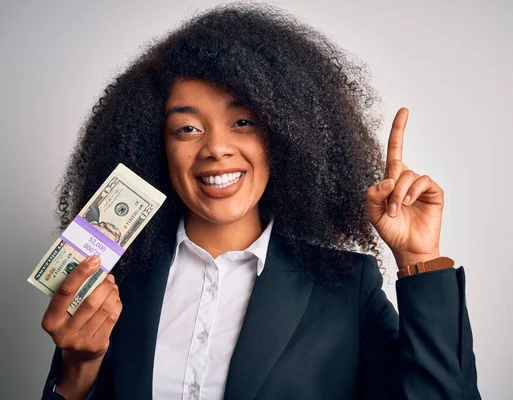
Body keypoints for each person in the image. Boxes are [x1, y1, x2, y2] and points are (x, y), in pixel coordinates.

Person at [39, 3, 480, 399]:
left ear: (284, 135)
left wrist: (418, 259)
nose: (216, 148)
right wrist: (79, 371)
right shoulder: (117, 284)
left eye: (243, 121)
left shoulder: (347, 290)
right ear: (156, 147)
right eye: (187, 128)